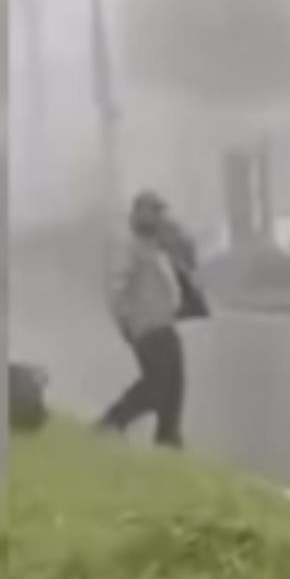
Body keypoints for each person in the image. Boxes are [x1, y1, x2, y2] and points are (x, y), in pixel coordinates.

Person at [99, 191, 200, 448]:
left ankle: (168, 439)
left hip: (164, 324)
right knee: (156, 385)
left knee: (174, 388)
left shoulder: (157, 246)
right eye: (154, 212)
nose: (159, 218)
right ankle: (111, 423)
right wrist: (126, 322)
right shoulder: (129, 246)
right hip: (146, 327)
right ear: (138, 214)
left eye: (160, 212)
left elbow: (188, 264)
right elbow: (116, 287)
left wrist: (179, 241)